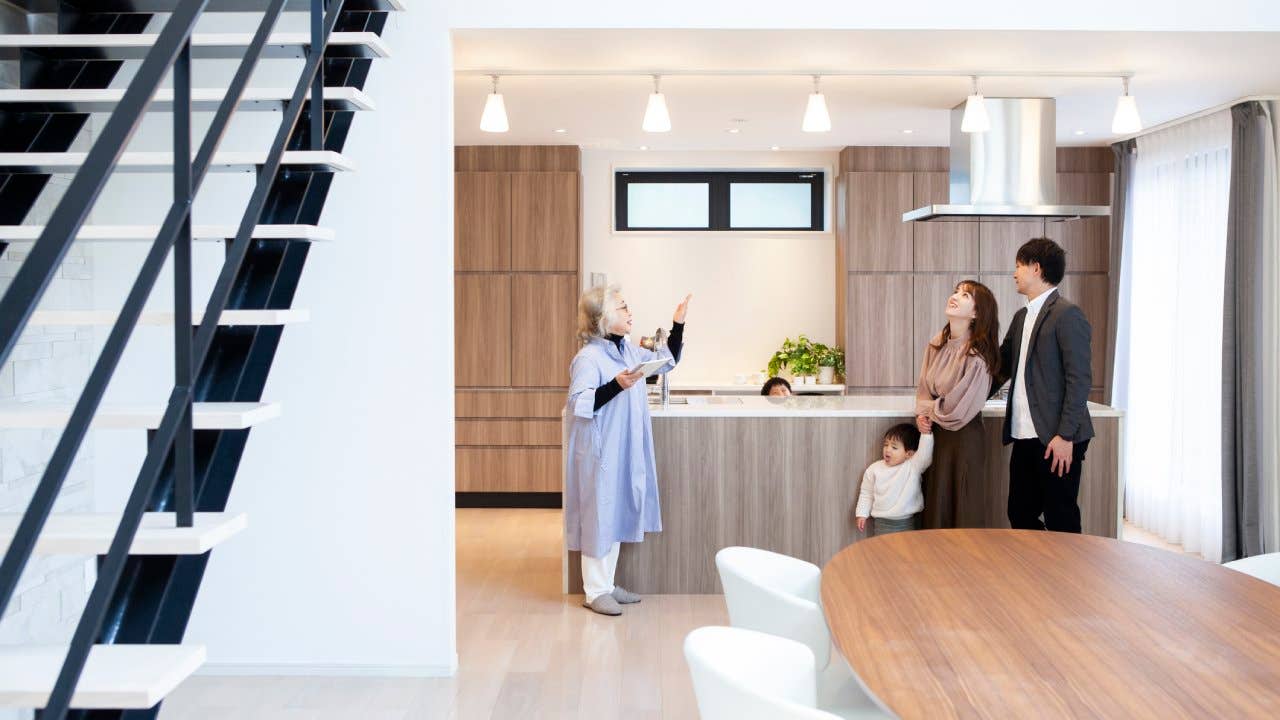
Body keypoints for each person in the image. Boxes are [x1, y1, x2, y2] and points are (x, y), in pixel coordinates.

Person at [564, 286, 692, 615]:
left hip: (623, 448)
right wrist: (614, 386)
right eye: (622, 308)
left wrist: (677, 324)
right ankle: (594, 591)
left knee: (616, 511)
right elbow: (579, 402)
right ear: (604, 319)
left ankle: (607, 585)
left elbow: (667, 362)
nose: (629, 312)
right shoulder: (588, 358)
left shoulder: (629, 352)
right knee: (598, 516)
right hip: (599, 452)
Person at [997, 238, 1093, 533]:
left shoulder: (1067, 314)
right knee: (1019, 514)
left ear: (1035, 268)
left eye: (1018, 266)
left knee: (1060, 518)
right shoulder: (1021, 317)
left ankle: (1066, 579)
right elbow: (998, 370)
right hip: (1025, 434)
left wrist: (1065, 436)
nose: (1014, 273)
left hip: (1056, 437)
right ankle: (1037, 576)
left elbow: (1079, 380)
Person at [914, 280, 1001, 528]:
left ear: (976, 313)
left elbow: (955, 410)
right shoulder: (937, 342)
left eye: (965, 295)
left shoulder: (976, 356)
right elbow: (924, 388)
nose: (955, 296)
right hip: (936, 437)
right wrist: (922, 413)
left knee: (962, 508)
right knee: (936, 507)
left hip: (963, 439)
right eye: (955, 292)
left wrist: (928, 411)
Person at [855, 423, 933, 536]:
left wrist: (926, 434)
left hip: (906, 523)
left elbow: (925, 455)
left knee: (906, 553)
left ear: (909, 454)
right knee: (884, 552)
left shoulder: (913, 466)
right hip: (882, 524)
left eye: (894, 447)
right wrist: (862, 513)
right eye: (886, 445)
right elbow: (867, 493)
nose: (887, 450)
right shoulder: (874, 469)